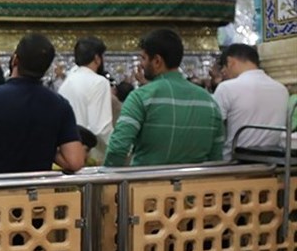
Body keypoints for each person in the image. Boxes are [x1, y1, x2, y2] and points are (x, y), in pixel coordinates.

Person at [0, 33, 84, 174]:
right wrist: (47, 146)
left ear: (15, 60)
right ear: (47, 68)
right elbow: (74, 161)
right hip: (37, 186)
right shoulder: (60, 105)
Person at [104, 29, 224, 167]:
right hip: (196, 181)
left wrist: (108, 176)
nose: (140, 64)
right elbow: (216, 158)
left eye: (143, 58)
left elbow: (117, 149)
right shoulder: (209, 102)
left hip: (147, 179)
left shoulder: (140, 97)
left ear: (157, 61)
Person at [212, 43, 289, 160]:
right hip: (273, 162)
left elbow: (213, 128)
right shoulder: (281, 89)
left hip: (234, 162)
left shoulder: (227, 88)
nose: (223, 72)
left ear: (230, 62)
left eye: (223, 67)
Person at [57, 37, 113, 164]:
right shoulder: (99, 82)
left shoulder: (67, 81)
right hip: (89, 155)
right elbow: (100, 128)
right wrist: (121, 148)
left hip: (67, 153)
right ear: (97, 59)